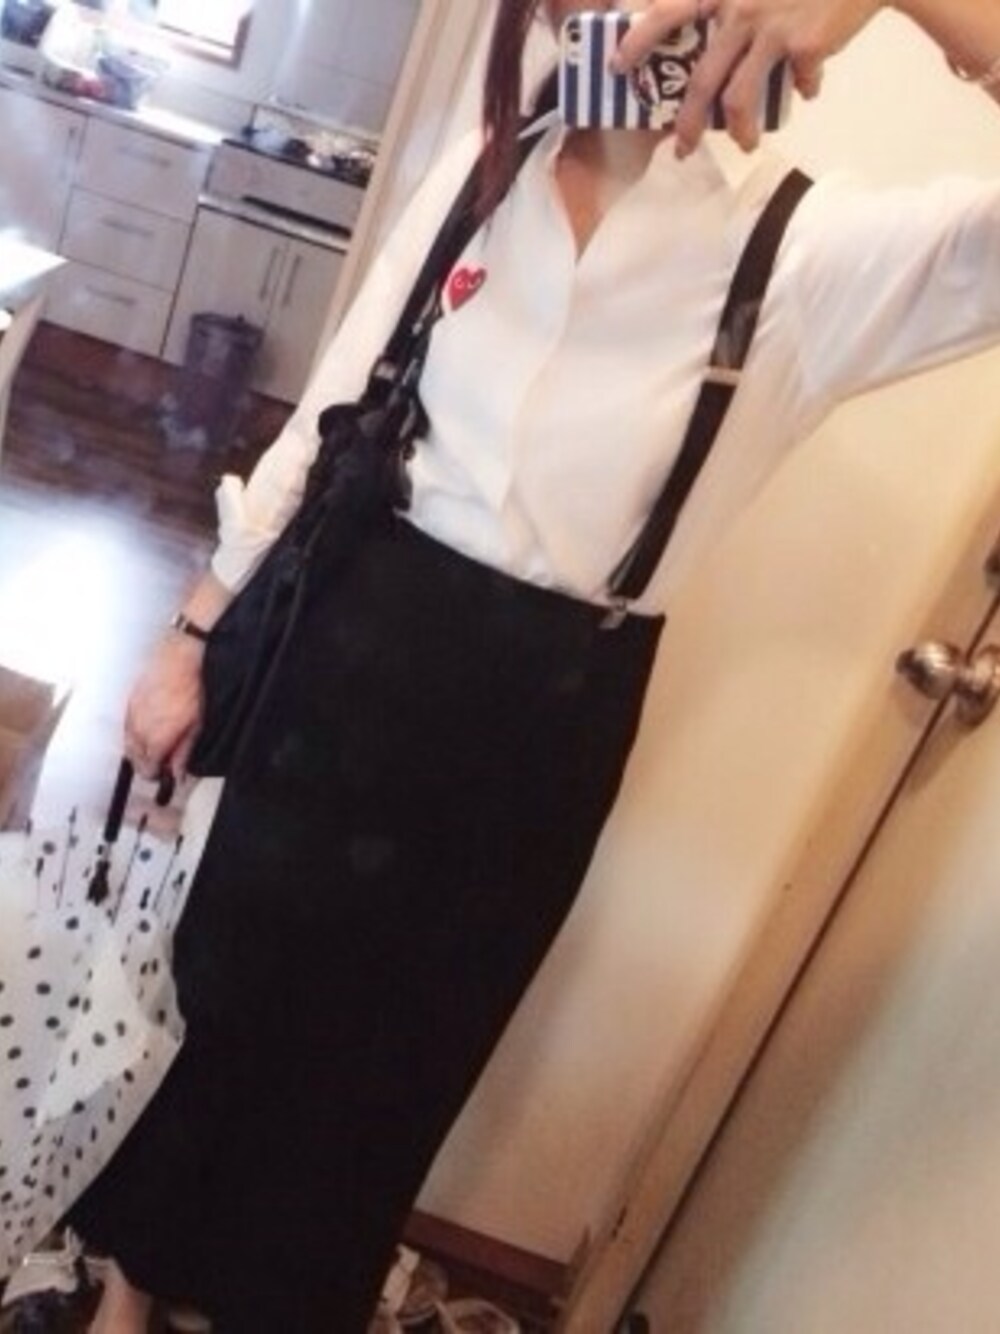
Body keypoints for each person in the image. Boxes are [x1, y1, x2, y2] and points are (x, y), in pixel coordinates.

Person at [64, 0, 1000, 1330]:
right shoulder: (482, 165)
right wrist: (192, 632)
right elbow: (332, 414)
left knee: (383, 1082)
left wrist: (907, 1)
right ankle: (124, 1303)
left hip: (537, 728)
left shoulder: (807, 254)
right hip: (344, 656)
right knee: (218, 998)